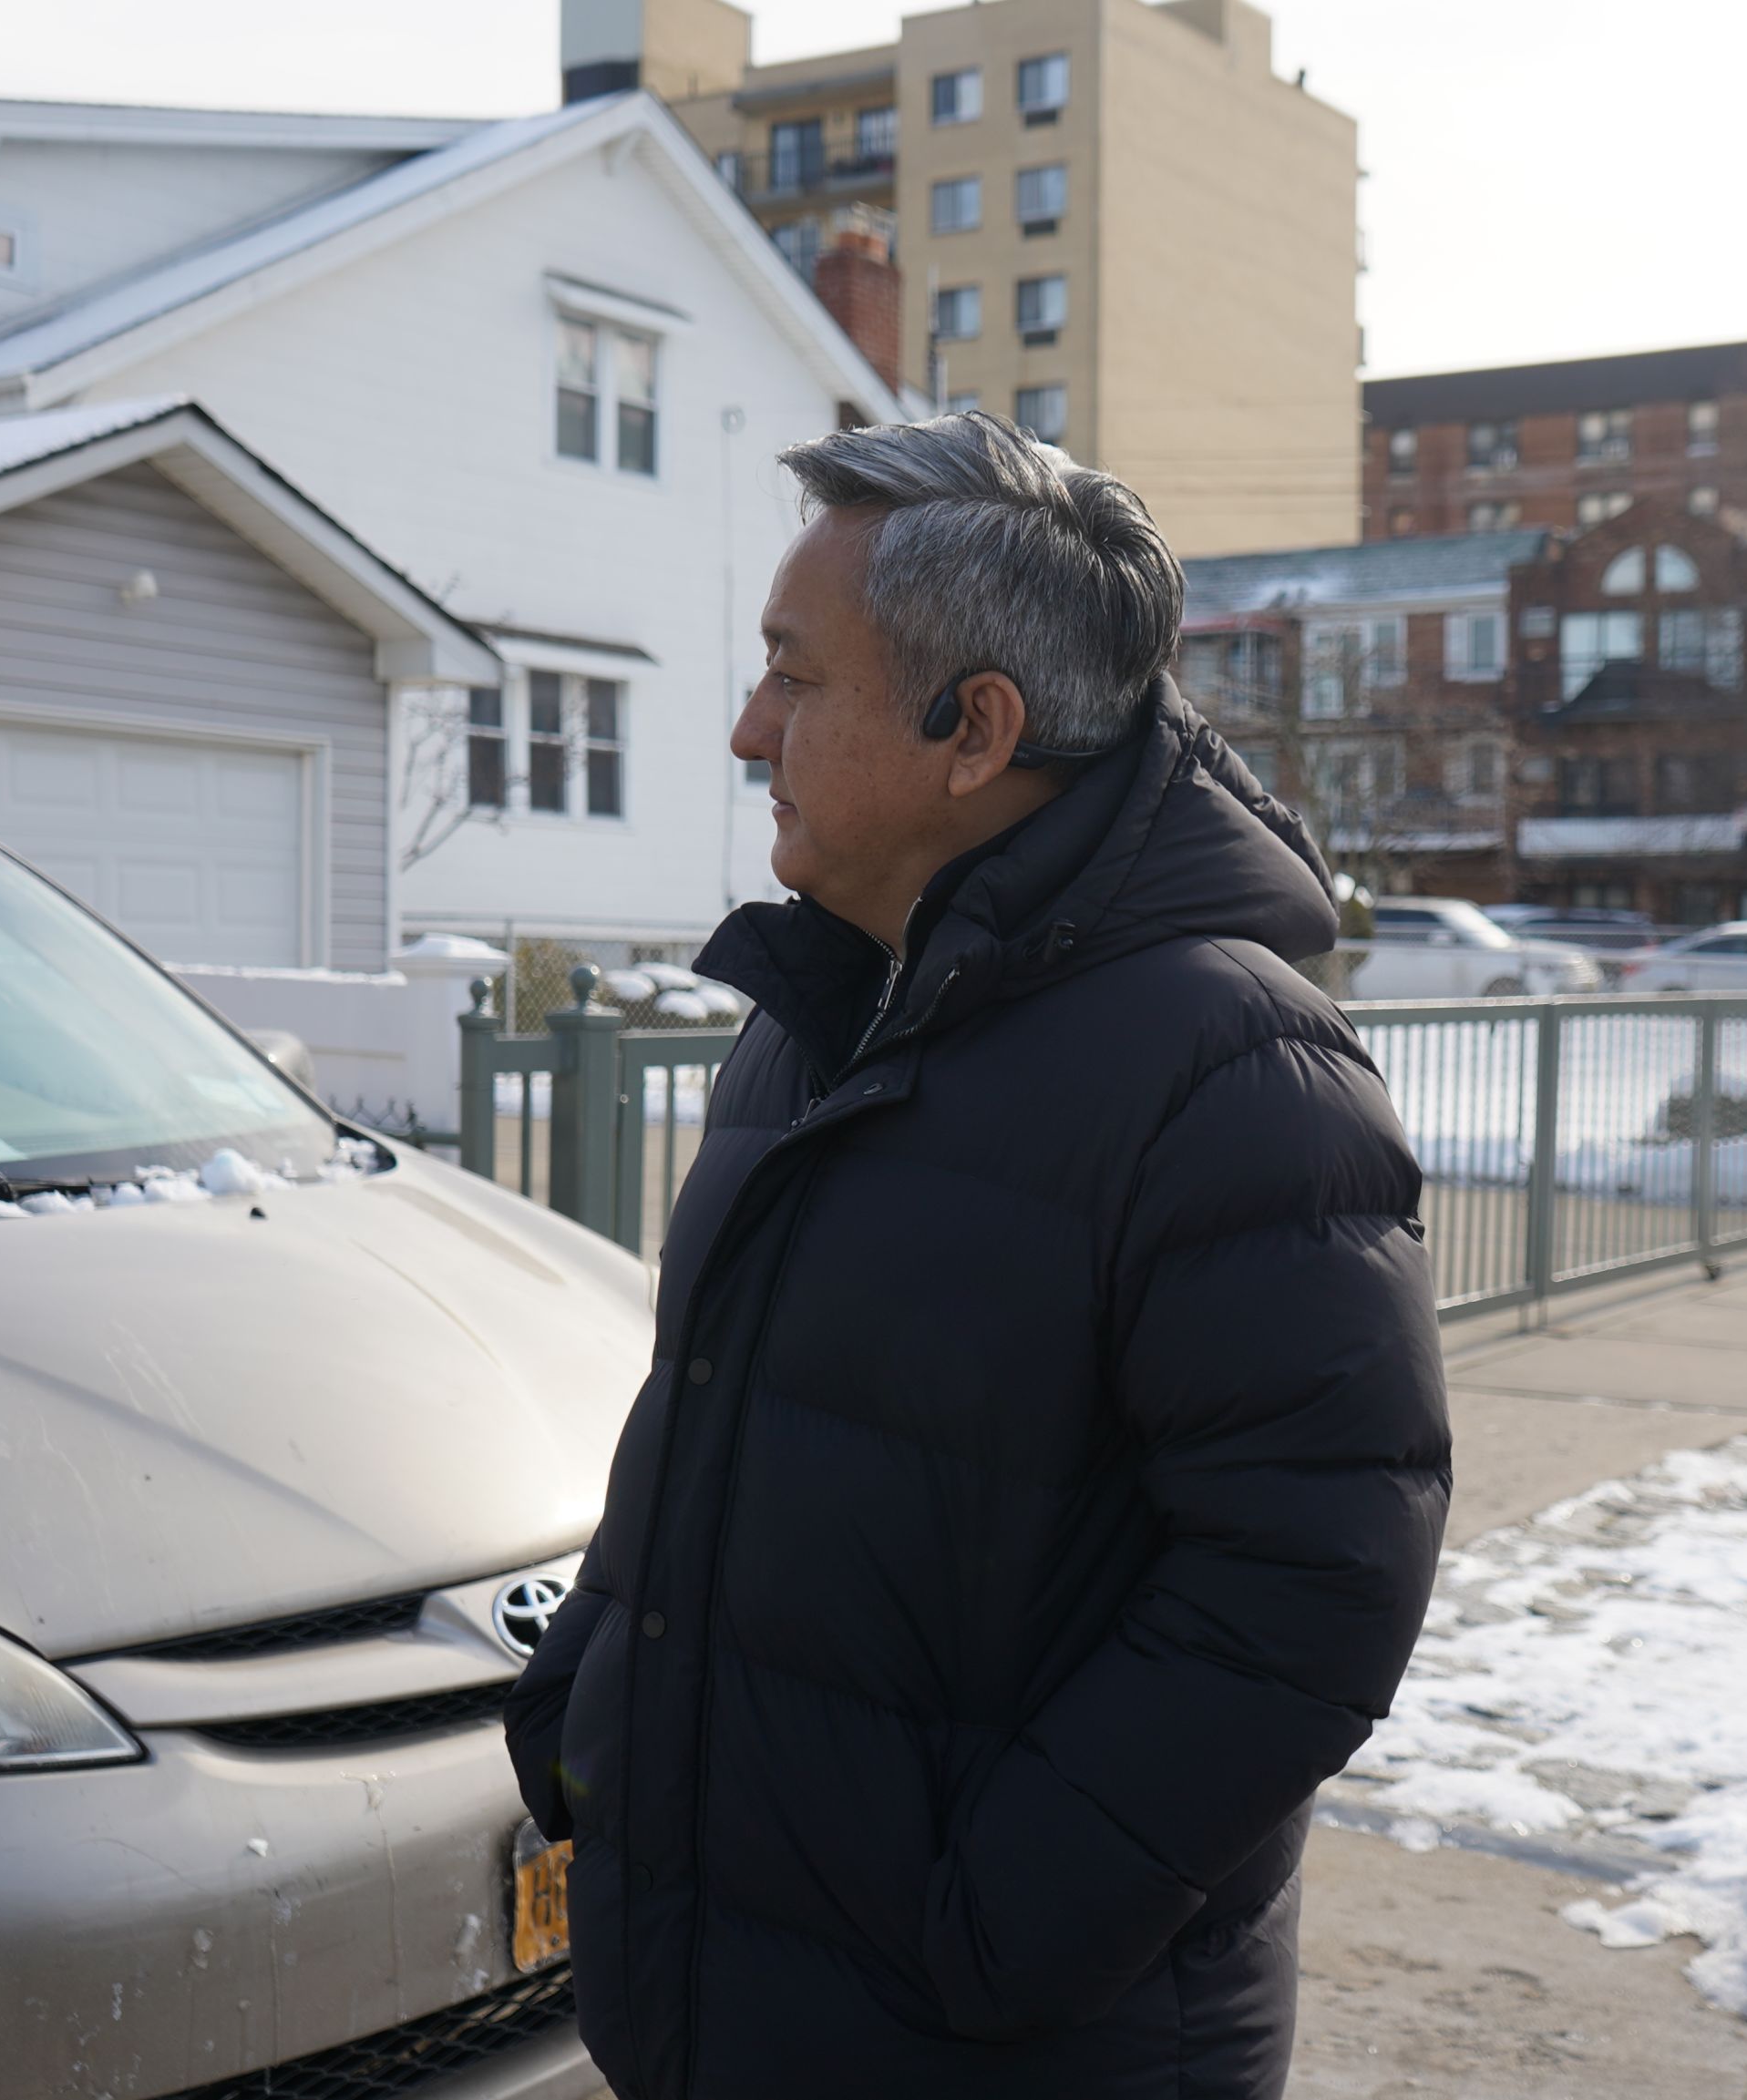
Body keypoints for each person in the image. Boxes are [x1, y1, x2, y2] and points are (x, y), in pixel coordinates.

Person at [504, 414, 1451, 2099]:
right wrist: (591, 1712)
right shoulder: (825, 1010)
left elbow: (1311, 1580)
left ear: (975, 728)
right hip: (727, 2005)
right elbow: (706, 1413)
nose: (747, 729)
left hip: (1009, 2045)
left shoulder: (1231, 1072)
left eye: (795, 677)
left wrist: (1001, 1923)